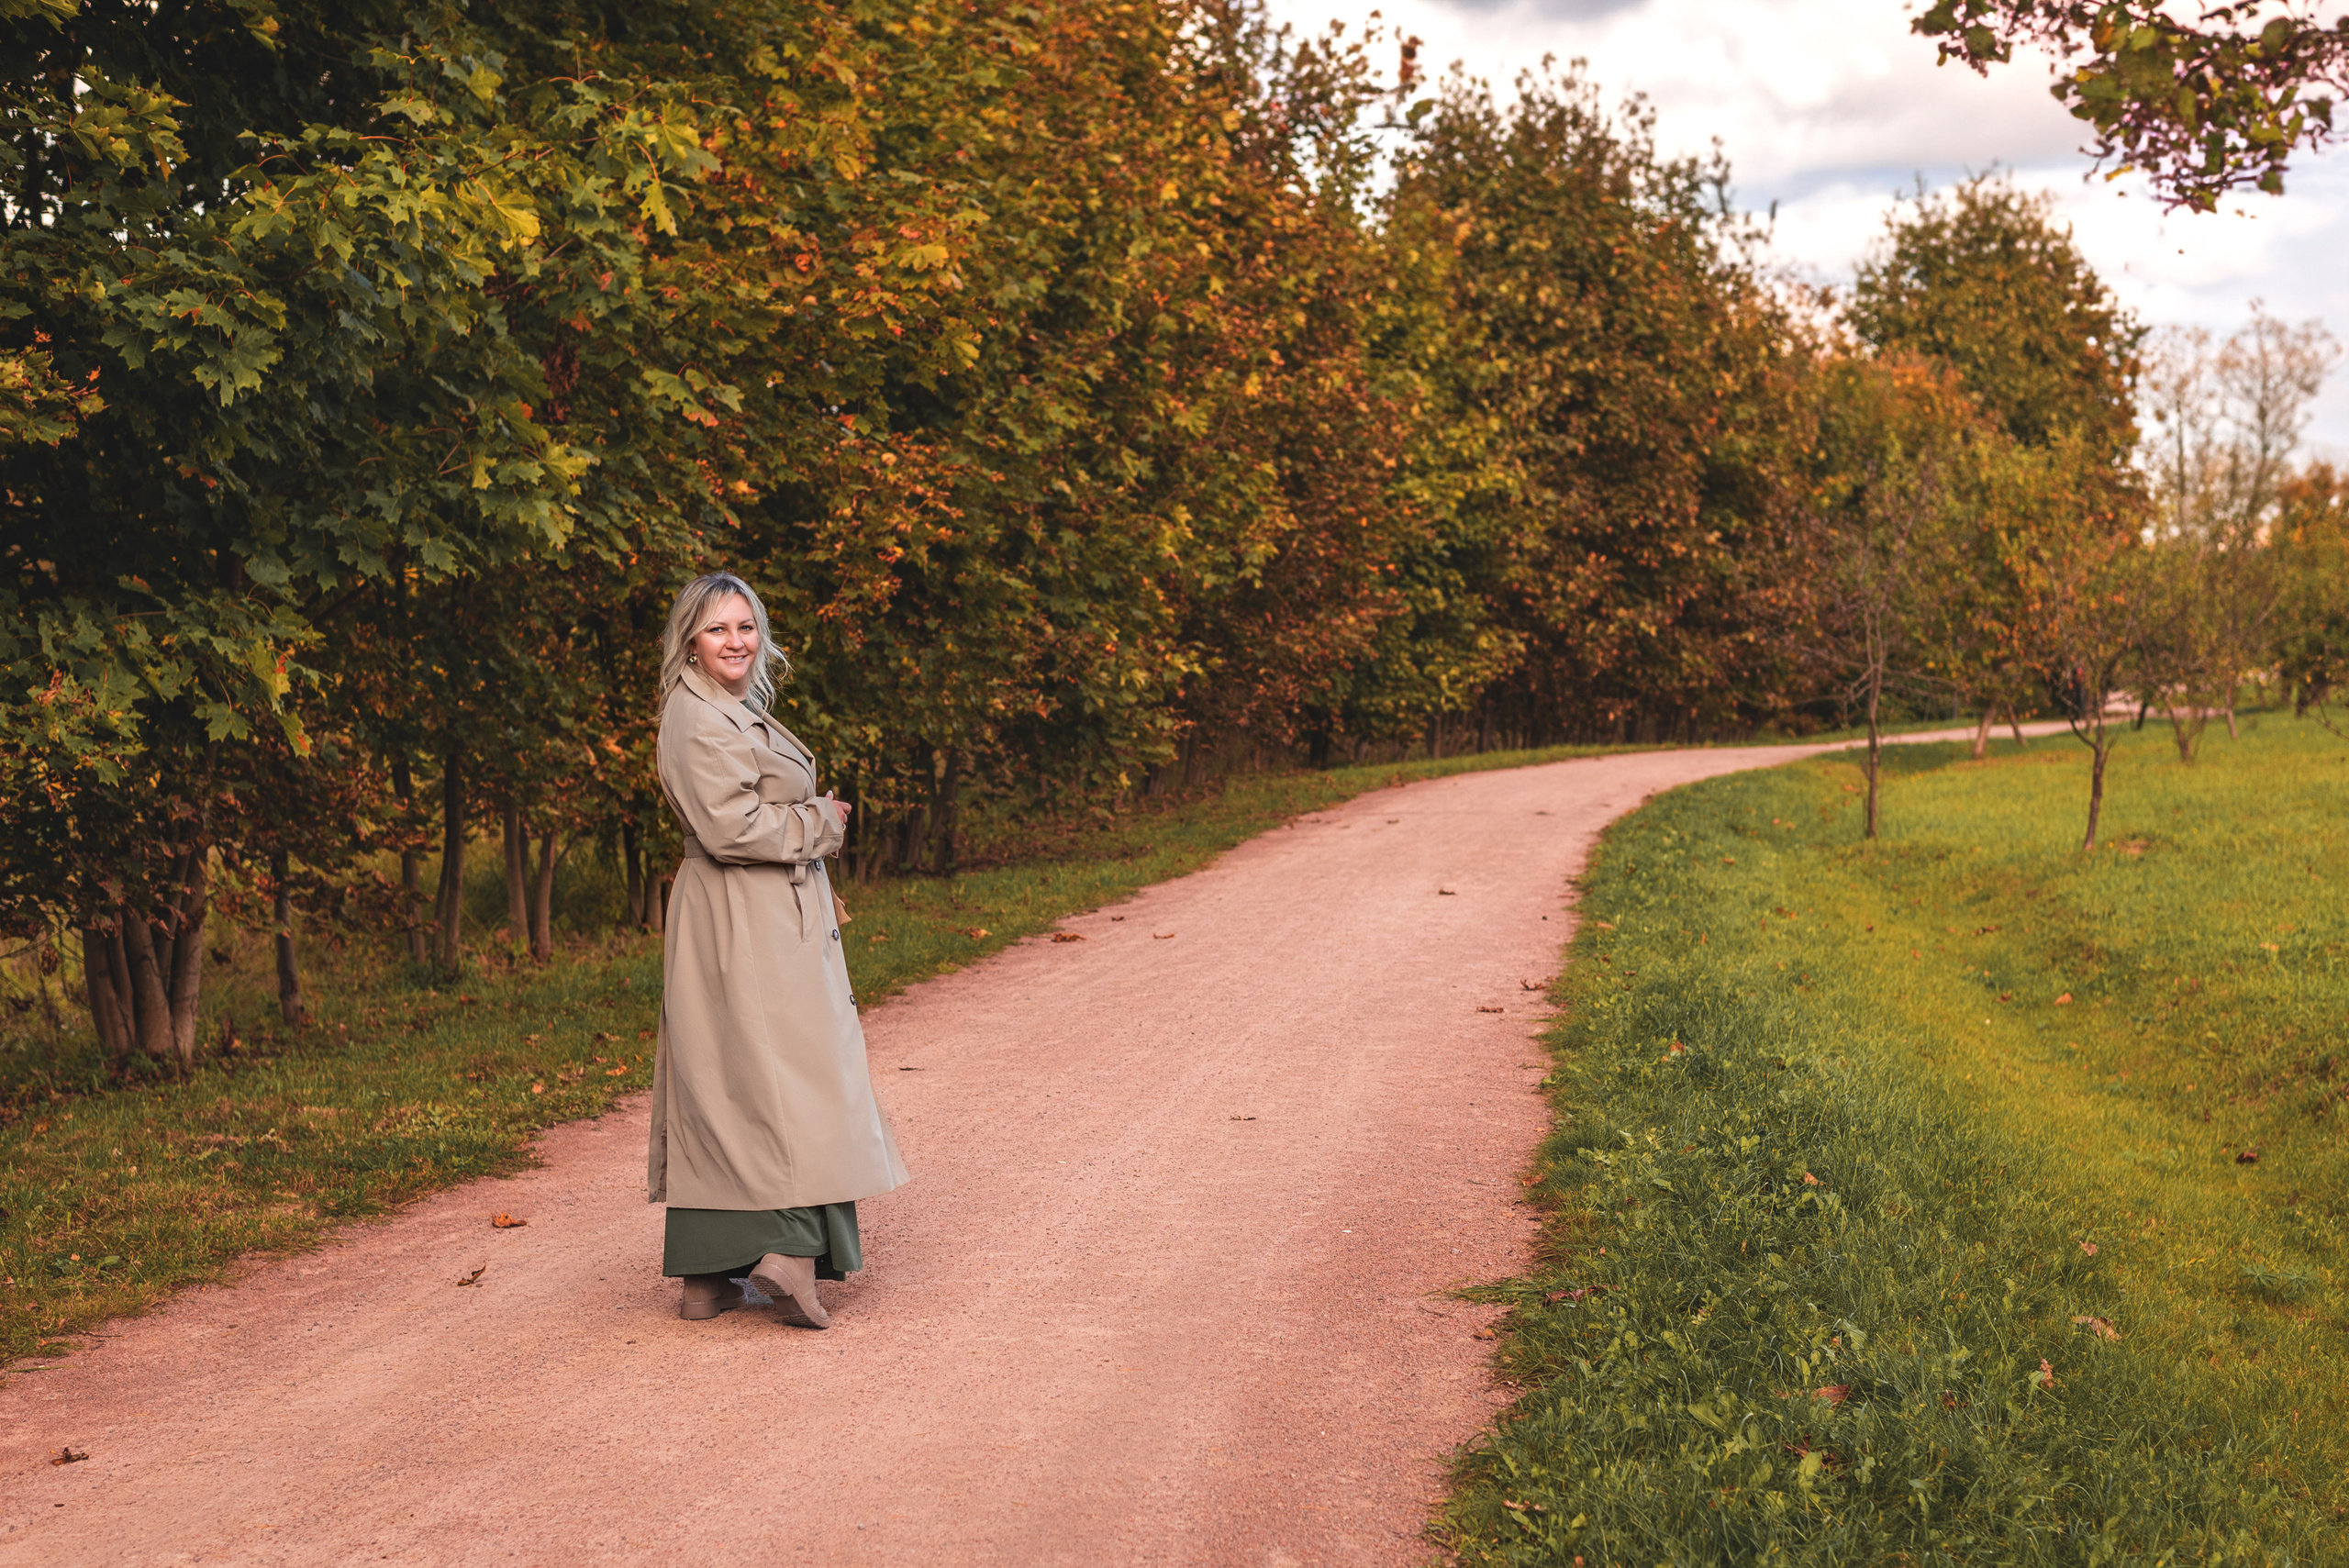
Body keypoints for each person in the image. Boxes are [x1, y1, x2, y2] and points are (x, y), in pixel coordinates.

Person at [647, 572, 908, 1328]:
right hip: (743, 915)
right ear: (689, 641)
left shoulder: (726, 708)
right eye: (717, 629)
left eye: (746, 627)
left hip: (757, 911)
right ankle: (790, 1250)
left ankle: (709, 1273)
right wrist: (819, 821)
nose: (735, 642)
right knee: (776, 1080)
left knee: (729, 1078)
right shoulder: (694, 718)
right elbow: (731, 828)